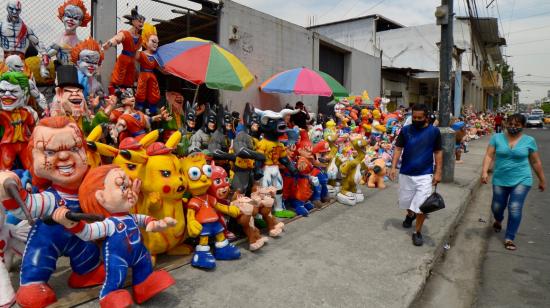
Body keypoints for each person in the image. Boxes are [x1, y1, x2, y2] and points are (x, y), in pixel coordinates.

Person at [481, 114, 546, 251]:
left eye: (517, 125)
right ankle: (498, 220)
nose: (513, 127)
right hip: (500, 178)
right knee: (497, 207)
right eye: (510, 124)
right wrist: (485, 172)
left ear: (523, 126)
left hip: (522, 179)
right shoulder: (497, 138)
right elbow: (489, 155)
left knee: (515, 207)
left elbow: (535, 161)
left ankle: (509, 237)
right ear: (506, 124)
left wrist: (542, 179)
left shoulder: (529, 140)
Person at [389, 104, 442, 246]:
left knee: (421, 205)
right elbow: (398, 148)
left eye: (420, 117)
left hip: (425, 175)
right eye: (414, 117)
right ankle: (410, 214)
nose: (417, 119)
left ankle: (417, 232)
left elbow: (438, 152)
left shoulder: (434, 132)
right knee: (405, 201)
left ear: (426, 117)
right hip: (406, 173)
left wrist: (438, 172)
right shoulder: (406, 130)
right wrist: (393, 167)